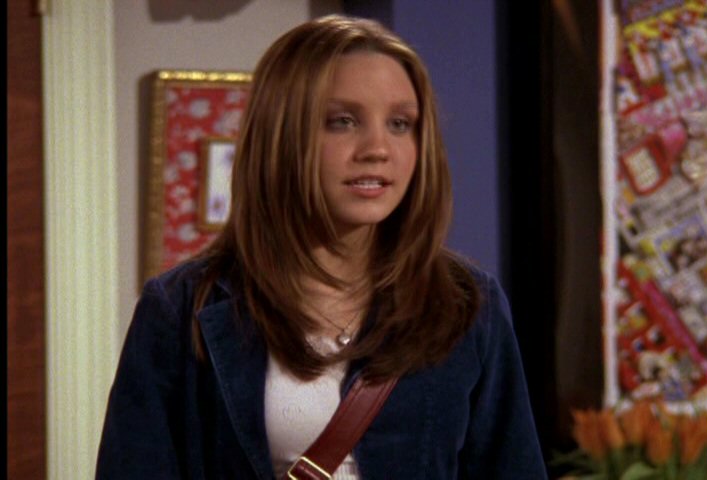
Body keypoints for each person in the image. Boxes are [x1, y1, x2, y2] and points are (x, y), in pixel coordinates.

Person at [96, 14, 547, 479]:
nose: (377, 149)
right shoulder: (181, 308)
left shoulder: (466, 304)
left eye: (400, 123)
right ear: (280, 134)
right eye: (343, 121)